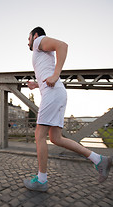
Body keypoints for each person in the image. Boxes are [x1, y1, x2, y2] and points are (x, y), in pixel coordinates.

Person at [23, 26, 112, 192]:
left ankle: (41, 181)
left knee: (39, 135)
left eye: (28, 38)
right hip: (56, 93)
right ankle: (99, 159)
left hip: (53, 93)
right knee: (56, 138)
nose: (27, 42)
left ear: (35, 35)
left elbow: (63, 45)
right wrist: (37, 84)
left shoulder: (38, 42)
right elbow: (46, 70)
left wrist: (56, 74)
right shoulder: (42, 51)